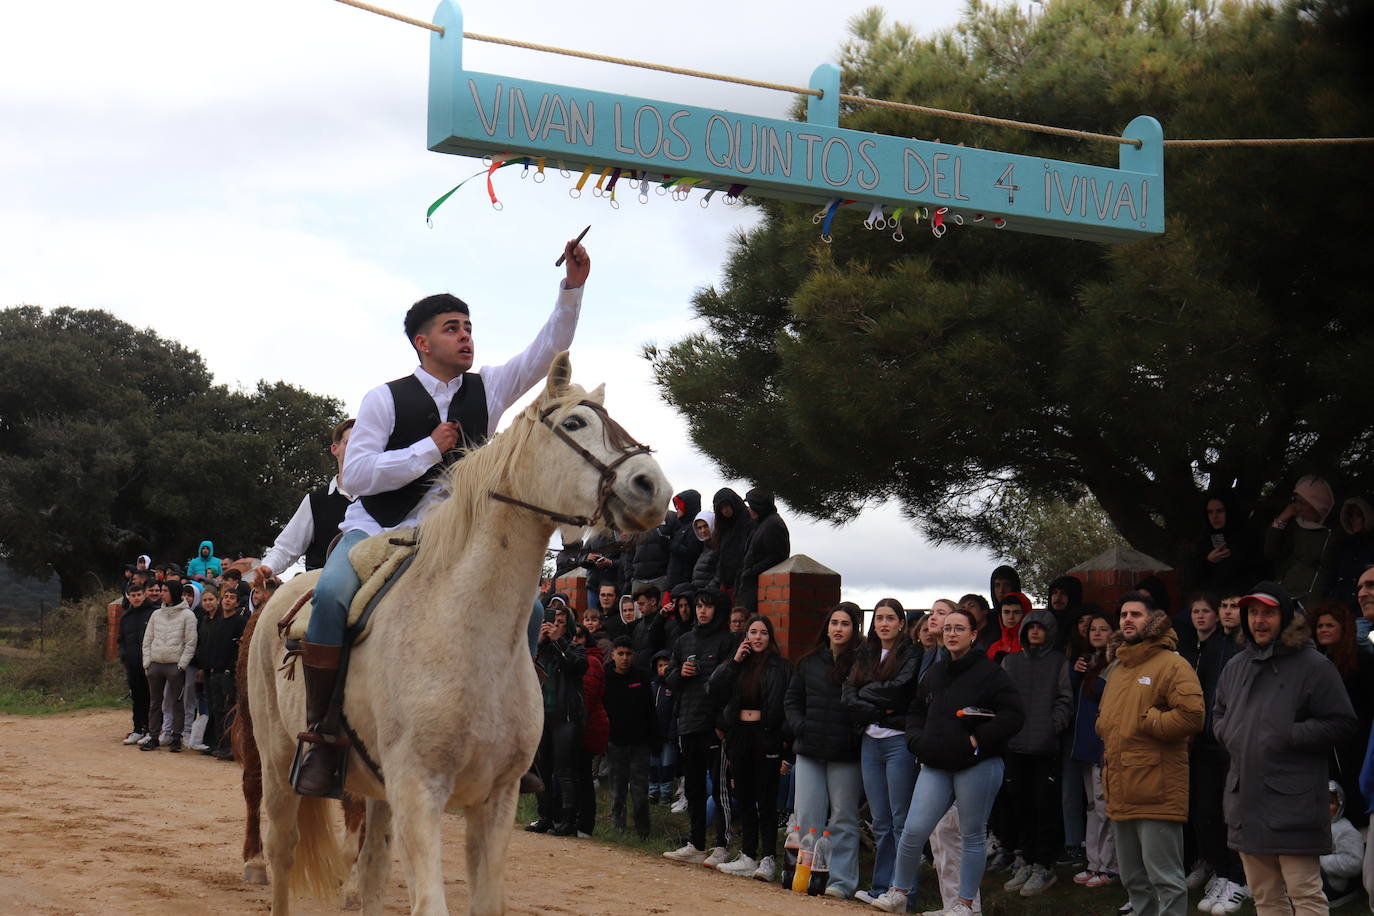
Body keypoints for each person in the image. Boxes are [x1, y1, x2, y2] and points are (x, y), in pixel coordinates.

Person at [293, 236, 589, 796]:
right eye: (453, 327)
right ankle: (323, 735)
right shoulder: (383, 398)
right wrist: (427, 449)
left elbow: (546, 351)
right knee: (331, 596)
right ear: (421, 341)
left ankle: (510, 739)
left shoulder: (490, 387)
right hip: (377, 530)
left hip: (454, 538)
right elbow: (355, 477)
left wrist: (571, 289)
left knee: (527, 612)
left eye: (469, 327)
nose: (465, 336)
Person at [867, 607, 1026, 915]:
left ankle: (964, 905)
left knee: (972, 834)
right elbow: (915, 711)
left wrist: (978, 739)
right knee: (914, 830)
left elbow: (1014, 715)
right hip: (936, 763)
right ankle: (898, 893)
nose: (952, 634)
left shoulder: (992, 673)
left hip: (978, 764)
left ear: (973, 634)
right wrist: (917, 741)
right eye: (948, 628)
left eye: (959, 628)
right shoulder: (934, 673)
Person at [1213, 580, 1356, 916]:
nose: (1259, 621)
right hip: (1245, 802)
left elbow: (1343, 722)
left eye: (1268, 613)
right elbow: (1217, 713)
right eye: (1253, 613)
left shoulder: (1314, 665)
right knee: (1265, 898)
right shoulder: (1236, 665)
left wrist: (1287, 734)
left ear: (1286, 617)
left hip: (1294, 804)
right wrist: (1229, 731)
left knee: (1305, 895)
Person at [1095, 590, 1204, 916]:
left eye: (1136, 614)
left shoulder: (1173, 664)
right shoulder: (1117, 668)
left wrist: (1152, 721)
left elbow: (1193, 715)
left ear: (1154, 621)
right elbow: (1109, 722)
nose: (1127, 619)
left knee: (1166, 880)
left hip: (1157, 789)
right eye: (1124, 614)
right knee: (1133, 879)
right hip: (1121, 786)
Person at [843, 598, 920, 908]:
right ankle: (880, 888)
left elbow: (900, 691)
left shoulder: (911, 652)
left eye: (890, 618)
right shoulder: (865, 653)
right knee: (881, 821)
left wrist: (866, 695)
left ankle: (905, 891)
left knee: (902, 821)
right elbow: (848, 696)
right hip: (870, 743)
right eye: (879, 618)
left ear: (901, 622)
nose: (884, 623)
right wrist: (876, 706)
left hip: (898, 742)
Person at [785, 603, 864, 900]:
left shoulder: (862, 664)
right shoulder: (808, 662)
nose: (839, 628)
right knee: (807, 816)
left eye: (845, 624)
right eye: (834, 623)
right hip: (809, 749)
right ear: (827, 627)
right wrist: (800, 726)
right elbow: (791, 700)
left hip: (844, 754)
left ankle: (841, 882)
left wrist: (852, 735)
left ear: (854, 629)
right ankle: (804, 877)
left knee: (843, 818)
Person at [1177, 591, 1247, 912]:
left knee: (1232, 814)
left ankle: (1238, 879)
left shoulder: (1243, 647)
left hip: (1235, 744)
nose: (1228, 611)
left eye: (1234, 606)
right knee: (1204, 812)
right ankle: (1220, 871)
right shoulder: (1205, 647)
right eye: (1225, 605)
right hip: (1204, 742)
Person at [710, 614, 790, 881]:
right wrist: (734, 661)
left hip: (766, 735)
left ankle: (768, 858)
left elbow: (782, 705)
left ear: (770, 637)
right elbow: (714, 689)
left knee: (766, 799)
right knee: (743, 796)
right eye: (752, 632)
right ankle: (747, 854)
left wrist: (780, 740)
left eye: (763, 633)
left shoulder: (779, 666)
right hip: (739, 736)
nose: (757, 637)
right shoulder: (737, 664)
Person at [999, 609, 1073, 897]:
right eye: (1030, 627)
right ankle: (1026, 861)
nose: (1035, 632)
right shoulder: (1011, 662)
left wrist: (1052, 726)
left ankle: (1044, 865)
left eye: (1041, 628)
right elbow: (1004, 699)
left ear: (1050, 632)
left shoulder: (1058, 662)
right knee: (1021, 805)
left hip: (1046, 747)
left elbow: (1066, 699)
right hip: (1016, 745)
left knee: (1045, 807)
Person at [662, 588, 736, 864]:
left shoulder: (727, 641)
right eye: (699, 606)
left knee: (719, 789)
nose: (702, 611)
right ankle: (696, 843)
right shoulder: (684, 641)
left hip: (715, 726)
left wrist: (723, 723)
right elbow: (668, 679)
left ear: (718, 610)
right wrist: (679, 673)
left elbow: (732, 685)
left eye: (708, 606)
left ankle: (723, 845)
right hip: (688, 722)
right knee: (692, 788)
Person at [255, 418, 356, 582]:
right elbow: (286, 548)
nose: (357, 448)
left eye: (363, 443)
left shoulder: (382, 498)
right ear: (335, 449)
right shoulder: (315, 501)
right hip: (322, 586)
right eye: (350, 442)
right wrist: (269, 567)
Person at [1310, 600, 1374, 830]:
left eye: (1330, 625)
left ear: (1343, 628)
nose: (1323, 630)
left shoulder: (1362, 662)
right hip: (1327, 745)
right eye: (1319, 626)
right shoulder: (1313, 664)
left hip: (1358, 744)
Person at [526, 606, 587, 837]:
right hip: (541, 716)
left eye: (560, 622)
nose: (554, 625)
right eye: (552, 621)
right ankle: (545, 817)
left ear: (567, 626)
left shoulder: (575, 649)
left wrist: (558, 641)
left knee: (565, 771)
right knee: (542, 771)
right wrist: (539, 643)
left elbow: (578, 666)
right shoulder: (541, 649)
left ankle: (569, 820)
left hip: (565, 718)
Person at [1070, 612, 1119, 889]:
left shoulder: (1115, 665)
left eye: (1103, 629)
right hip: (1086, 745)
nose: (1097, 633)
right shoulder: (1086, 662)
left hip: (1103, 745)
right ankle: (1094, 862)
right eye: (1093, 630)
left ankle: (1109, 866)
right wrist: (1077, 672)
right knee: (1092, 806)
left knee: (1105, 806)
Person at [603, 637, 657, 839]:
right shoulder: (605, 677)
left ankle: (643, 831)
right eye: (621, 654)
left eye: (628, 654)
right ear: (613, 655)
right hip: (615, 742)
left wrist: (655, 739)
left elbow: (650, 710)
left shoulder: (642, 677)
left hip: (640, 743)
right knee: (617, 789)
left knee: (640, 790)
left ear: (633, 655)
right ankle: (618, 828)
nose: (625, 658)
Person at [139, 582, 198, 752]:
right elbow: (147, 639)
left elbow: (190, 642)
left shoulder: (188, 616)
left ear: (174, 592)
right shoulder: (156, 614)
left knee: (177, 702)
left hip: (175, 666)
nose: (162, 593)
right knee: (155, 703)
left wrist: (181, 665)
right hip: (156, 664)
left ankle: (176, 738)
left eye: (165, 590)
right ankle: (154, 737)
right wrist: (147, 662)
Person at [1264, 474, 1339, 605]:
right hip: (1284, 595)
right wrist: (1281, 520)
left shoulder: (1332, 534)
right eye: (1296, 501)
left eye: (1303, 503)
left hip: (1311, 602)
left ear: (1317, 505)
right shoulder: (1292, 526)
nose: (1297, 507)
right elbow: (1271, 552)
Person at [200, 585, 247, 759]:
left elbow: (240, 648)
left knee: (230, 710)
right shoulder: (216, 622)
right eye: (225, 596)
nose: (228, 600)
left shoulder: (240, 622)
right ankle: (219, 744)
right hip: (214, 672)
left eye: (231, 597)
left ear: (236, 603)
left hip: (230, 673)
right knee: (217, 709)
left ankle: (231, 747)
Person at [1187, 493, 1258, 598]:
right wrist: (1208, 561)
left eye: (1219, 511)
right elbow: (1193, 579)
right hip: (1211, 601)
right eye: (1210, 512)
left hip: (1242, 598)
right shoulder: (1203, 540)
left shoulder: (1247, 537)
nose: (1214, 516)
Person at [571, 624, 606, 838]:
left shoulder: (591, 662)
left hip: (588, 726)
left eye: (579, 636)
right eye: (572, 636)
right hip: (579, 724)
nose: (575, 640)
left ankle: (584, 824)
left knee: (582, 776)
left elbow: (588, 698)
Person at [735, 488, 789, 613]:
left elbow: (777, 557)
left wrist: (750, 571)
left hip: (759, 590)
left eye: (751, 506)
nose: (749, 510)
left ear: (759, 506)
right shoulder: (761, 523)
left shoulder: (773, 524)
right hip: (749, 588)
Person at [116, 582, 155, 746]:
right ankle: (137, 729)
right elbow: (121, 640)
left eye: (139, 595)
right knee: (137, 698)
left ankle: (151, 730)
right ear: (129, 597)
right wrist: (124, 656)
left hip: (150, 664)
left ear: (144, 595)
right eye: (133, 595)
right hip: (132, 664)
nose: (136, 598)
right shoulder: (125, 617)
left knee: (152, 698)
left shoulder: (153, 613)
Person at [1321, 781, 1364, 909]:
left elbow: (1355, 863)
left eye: (1330, 802)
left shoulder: (1345, 830)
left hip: (1335, 884)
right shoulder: (1320, 826)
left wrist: (1322, 859)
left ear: (1339, 804)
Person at [710, 488, 753, 604]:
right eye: (721, 508)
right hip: (727, 581)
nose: (725, 510)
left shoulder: (747, 520)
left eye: (727, 506)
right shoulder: (723, 527)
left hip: (742, 579)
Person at [649, 649, 678, 806]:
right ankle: (653, 791)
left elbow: (675, 712)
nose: (663, 668)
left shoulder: (673, 687)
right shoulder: (652, 686)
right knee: (653, 764)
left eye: (667, 665)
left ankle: (666, 793)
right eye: (660, 665)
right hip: (653, 734)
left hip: (668, 734)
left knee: (667, 764)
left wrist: (672, 733)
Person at [665, 489, 703, 593]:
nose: (676, 507)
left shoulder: (695, 527)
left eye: (679, 505)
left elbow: (692, 553)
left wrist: (673, 545)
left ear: (688, 506)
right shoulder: (680, 527)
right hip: (673, 581)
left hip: (684, 583)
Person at [986, 592, 1028, 663]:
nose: (1011, 617)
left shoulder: (1031, 645)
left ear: (1025, 614)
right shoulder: (994, 648)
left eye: (1016, 612)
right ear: (1001, 615)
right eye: (1006, 612)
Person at [690, 510, 717, 591]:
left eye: (706, 526)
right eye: (699, 528)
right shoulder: (706, 547)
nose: (703, 531)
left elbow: (719, 576)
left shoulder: (719, 546)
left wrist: (706, 592)